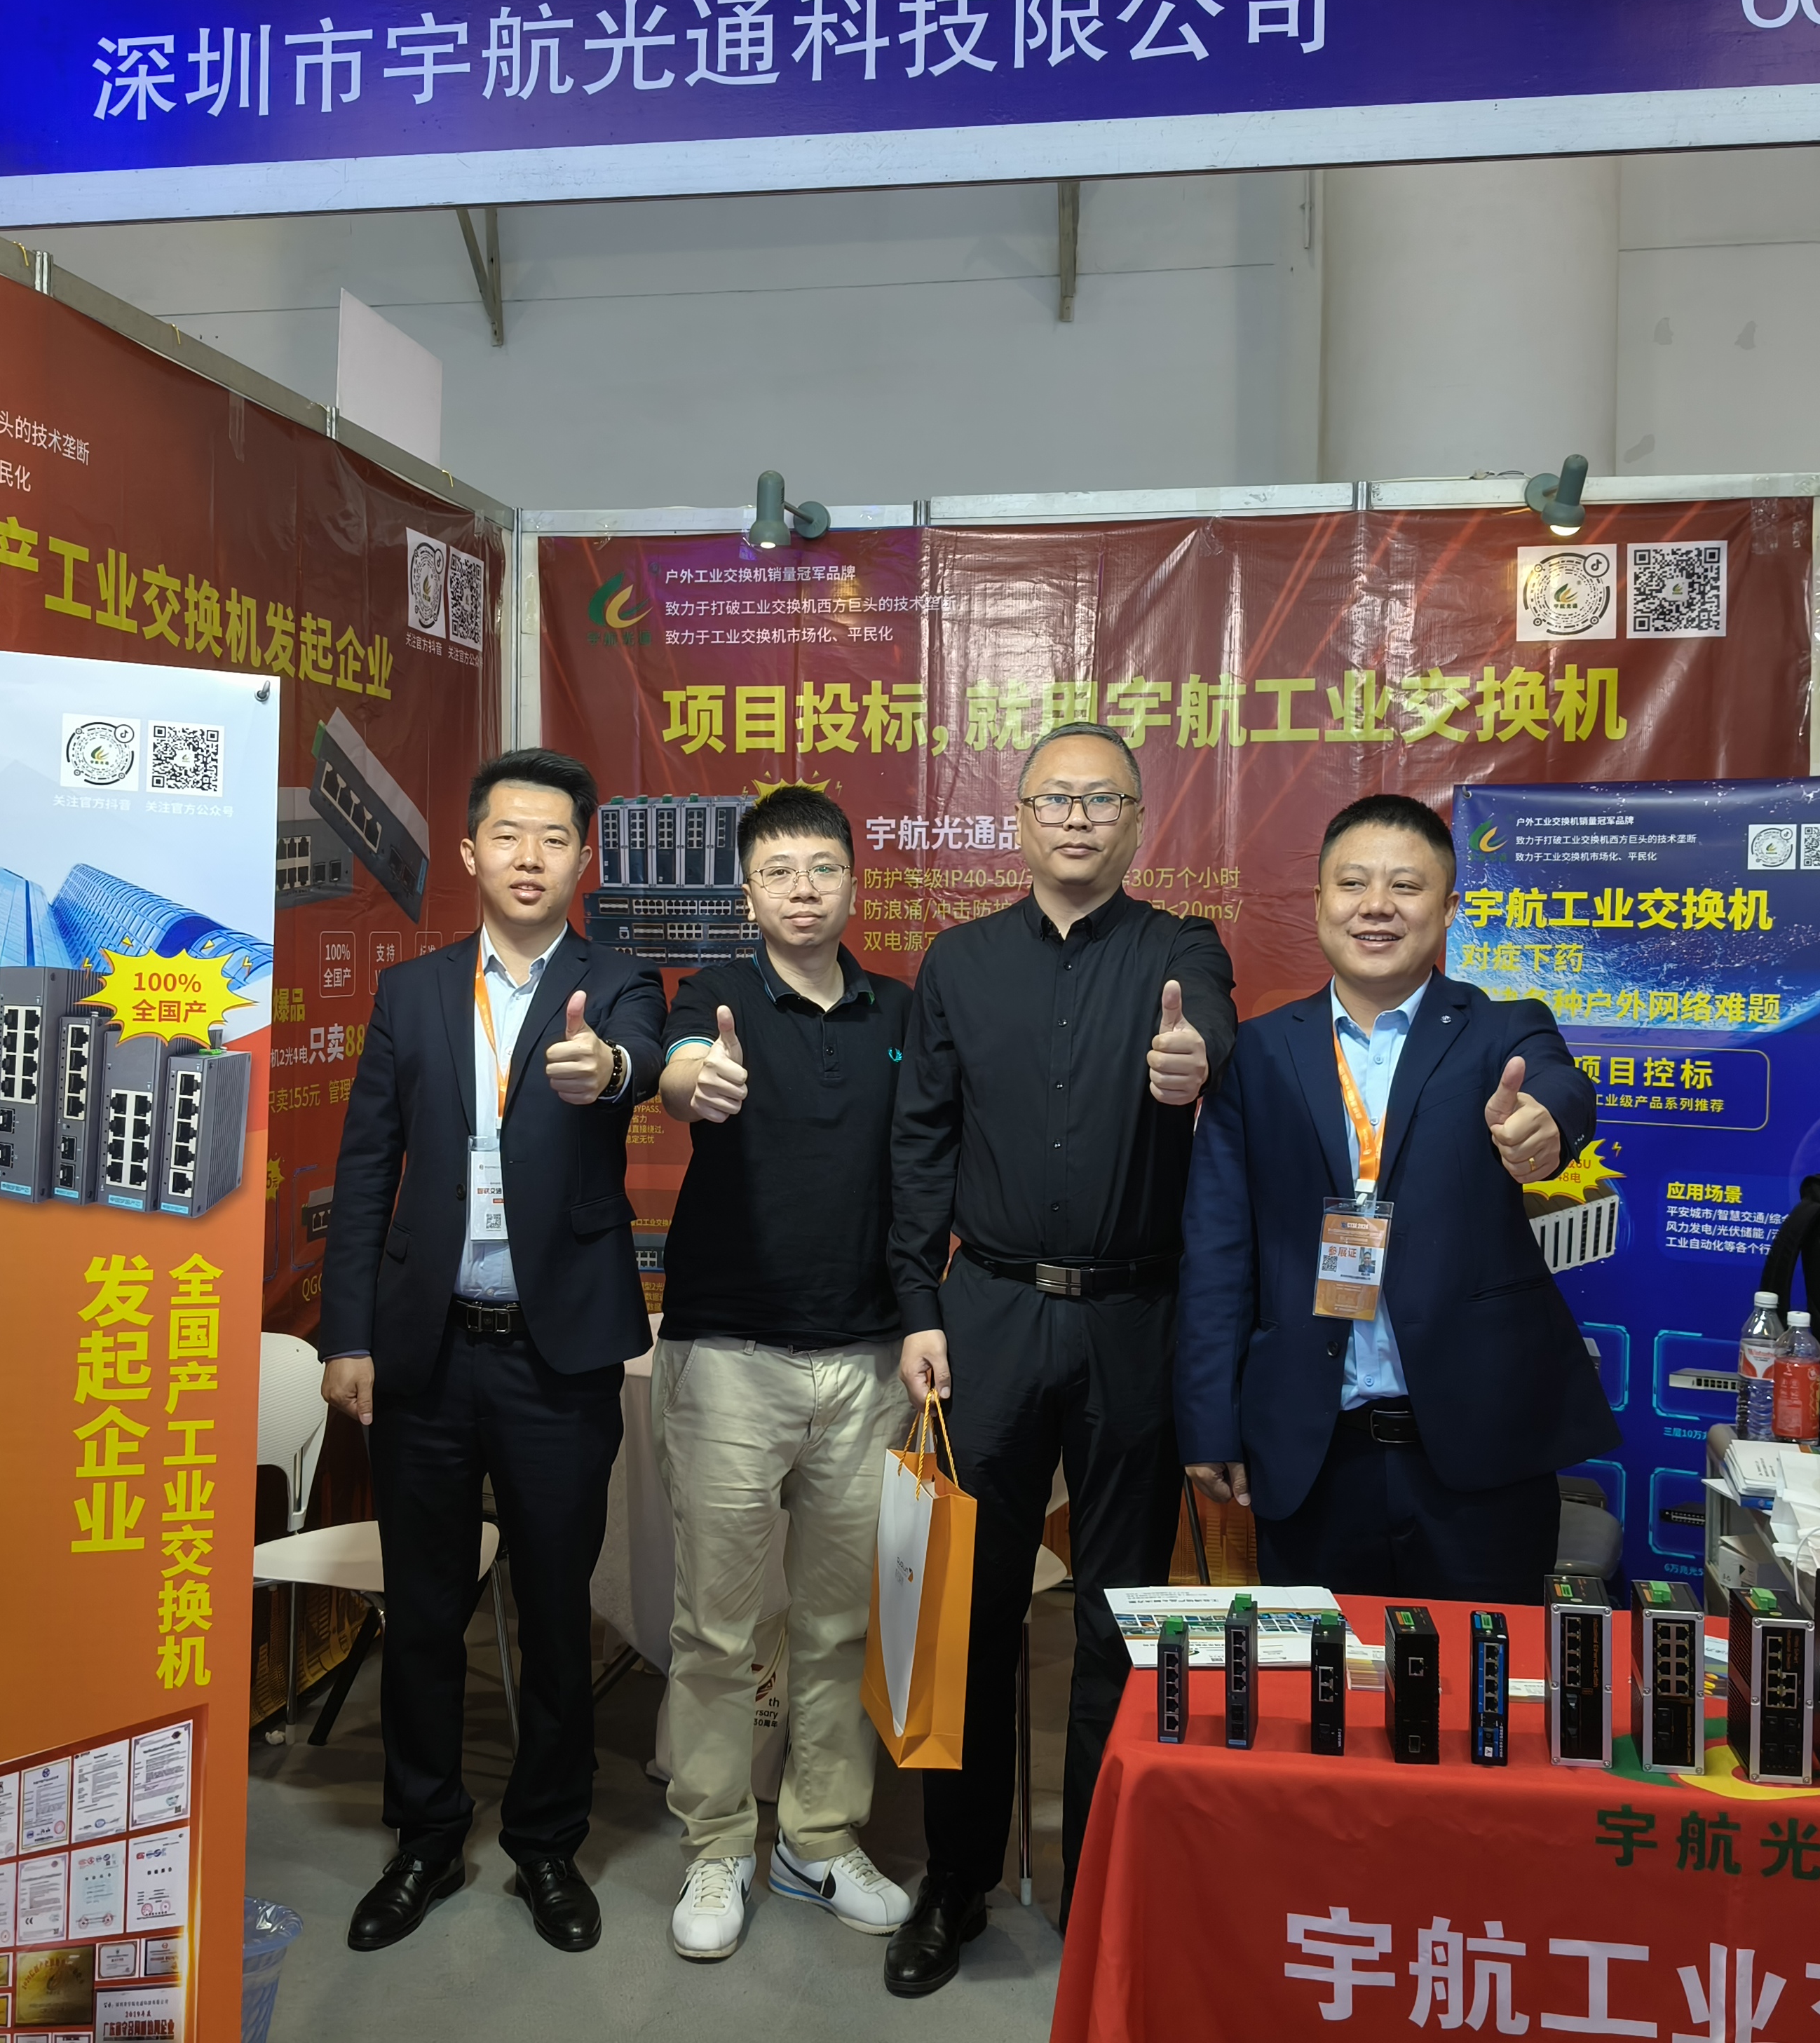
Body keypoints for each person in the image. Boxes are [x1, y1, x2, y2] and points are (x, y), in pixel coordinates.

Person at [882, 720, 1237, 1996]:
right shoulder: (960, 960)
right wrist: (917, 1302)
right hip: (986, 1312)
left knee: (1116, 1617)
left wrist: (1192, 1061)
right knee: (968, 1615)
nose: (1078, 818)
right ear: (1019, 819)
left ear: (1137, 821)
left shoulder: (1182, 951)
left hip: (1133, 1319)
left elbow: (1214, 1039)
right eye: (1055, 799)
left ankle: (1101, 1880)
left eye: (1103, 800)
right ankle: (956, 1879)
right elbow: (920, 1141)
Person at [317, 747, 666, 1957]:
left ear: (584, 860)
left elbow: (631, 1063)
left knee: (557, 1610)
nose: (529, 857)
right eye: (508, 835)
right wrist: (348, 1332)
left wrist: (603, 1069)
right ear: (468, 852)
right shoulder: (413, 992)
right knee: (421, 1611)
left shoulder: (617, 982)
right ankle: (423, 1836)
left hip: (554, 1359)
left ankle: (547, 1843)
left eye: (554, 839)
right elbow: (368, 1165)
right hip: (425, 1350)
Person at [1175, 792, 1619, 1597]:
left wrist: (1543, 1125)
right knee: (1321, 1673)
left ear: (1448, 909)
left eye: (1405, 886)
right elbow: (1216, 1252)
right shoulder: (1259, 1054)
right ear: (1318, 901)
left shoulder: (1501, 1030)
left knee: (1482, 1672)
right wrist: (1209, 1420)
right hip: (1311, 1449)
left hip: (1479, 1453)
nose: (1376, 906)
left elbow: (1560, 1086)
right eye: (1353, 883)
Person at [651, 785, 916, 1962]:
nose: (803, 891)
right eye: (779, 872)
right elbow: (677, 1073)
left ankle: (818, 1836)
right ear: (748, 892)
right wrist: (691, 1080)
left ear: (854, 883)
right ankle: (715, 1843)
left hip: (868, 1361)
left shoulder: (899, 1010)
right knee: (715, 1629)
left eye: (823, 869)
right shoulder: (709, 997)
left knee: (839, 1626)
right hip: (730, 1356)